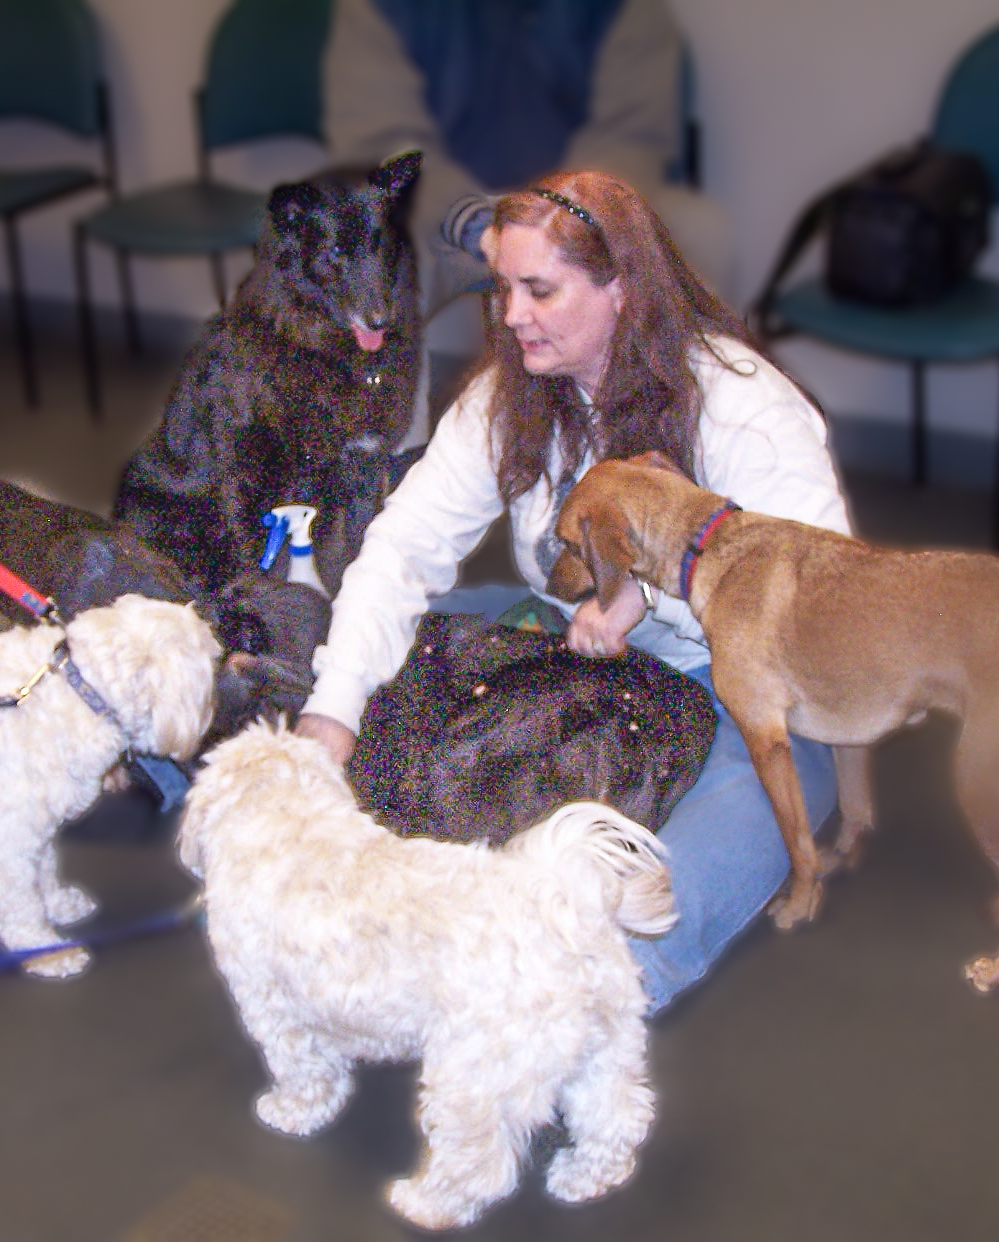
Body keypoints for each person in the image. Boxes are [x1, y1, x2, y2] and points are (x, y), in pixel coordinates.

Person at [295, 170, 848, 1014]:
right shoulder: (510, 396)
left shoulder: (742, 407)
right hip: (572, 640)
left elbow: (818, 597)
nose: (511, 315)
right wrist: (333, 708)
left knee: (764, 795)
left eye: (540, 290)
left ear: (620, 289)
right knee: (383, 650)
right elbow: (406, 547)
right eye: (504, 289)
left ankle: (595, 996)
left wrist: (654, 595)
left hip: (737, 673)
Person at [322, 0, 734, 322]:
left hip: (574, 208)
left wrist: (564, 223)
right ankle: (380, 429)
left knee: (701, 231)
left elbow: (632, 133)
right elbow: (384, 143)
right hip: (442, 216)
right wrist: (478, 226)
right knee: (370, 267)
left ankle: (669, 421)